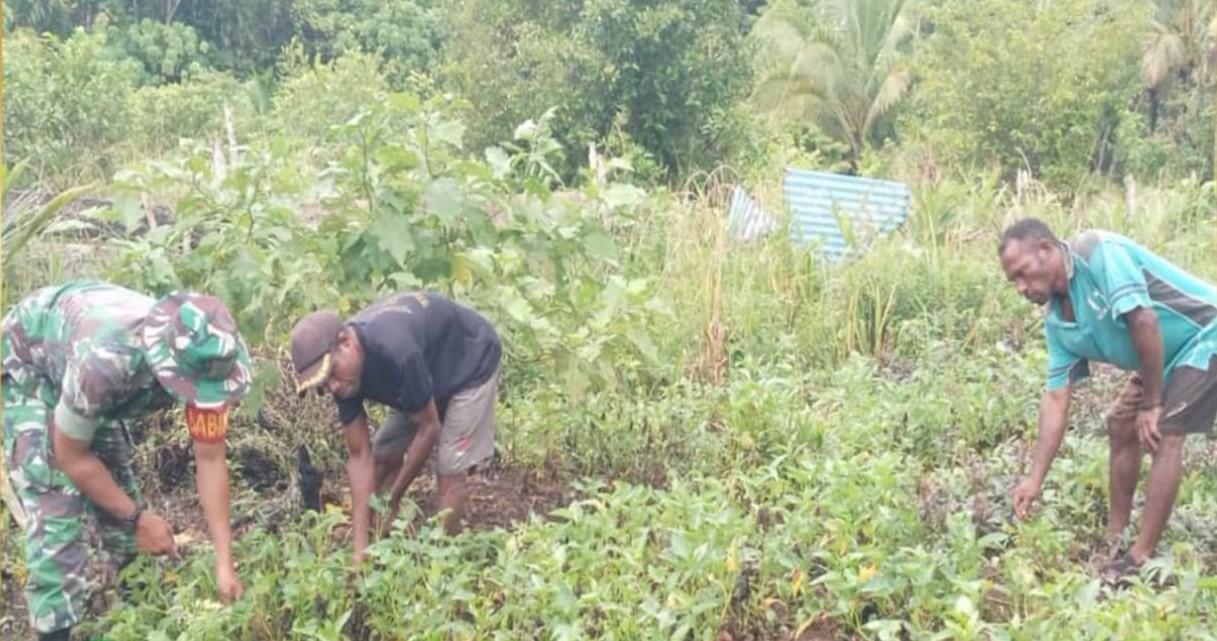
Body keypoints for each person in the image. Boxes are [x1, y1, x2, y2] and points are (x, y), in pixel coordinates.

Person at [2, 281, 253, 641]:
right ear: (171, 368)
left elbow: (210, 458)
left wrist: (224, 561)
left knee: (117, 492)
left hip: (86, 371)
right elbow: (71, 456)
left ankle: (135, 617)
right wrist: (136, 519)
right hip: (33, 364)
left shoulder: (209, 356)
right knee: (55, 508)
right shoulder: (106, 364)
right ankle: (54, 631)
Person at [999, 219, 1217, 580]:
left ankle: (1139, 557)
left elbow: (1143, 320)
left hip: (1206, 334)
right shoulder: (1057, 322)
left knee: (1164, 429)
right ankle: (1114, 538)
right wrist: (1034, 480)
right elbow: (1056, 399)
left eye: (1022, 273)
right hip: (1165, 357)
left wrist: (1152, 403)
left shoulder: (1098, 253)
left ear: (1046, 249)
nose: (1021, 287)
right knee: (1120, 425)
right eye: (1014, 281)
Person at [289, 291, 501, 565]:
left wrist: (395, 497)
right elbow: (359, 455)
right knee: (383, 452)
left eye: (333, 374)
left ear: (346, 343)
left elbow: (429, 429)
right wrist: (358, 549)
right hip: (422, 376)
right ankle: (372, 543)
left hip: (471, 362)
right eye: (324, 384)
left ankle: (444, 561)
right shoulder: (343, 378)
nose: (334, 387)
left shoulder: (396, 351)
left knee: (450, 465)